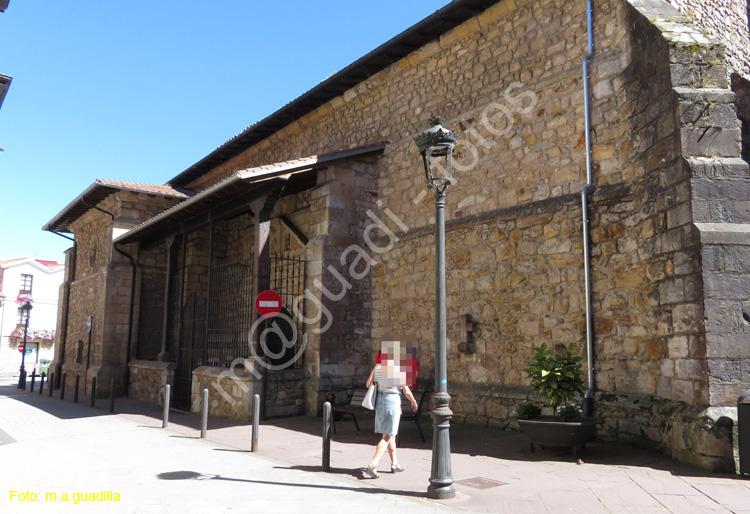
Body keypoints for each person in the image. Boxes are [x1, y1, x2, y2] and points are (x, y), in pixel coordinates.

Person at [363, 352, 418, 478]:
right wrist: (414, 402)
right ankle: (373, 464)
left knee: (390, 433)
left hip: (379, 402)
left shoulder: (377, 367)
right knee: (388, 436)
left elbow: (367, 384)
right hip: (392, 402)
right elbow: (406, 390)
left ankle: (394, 463)